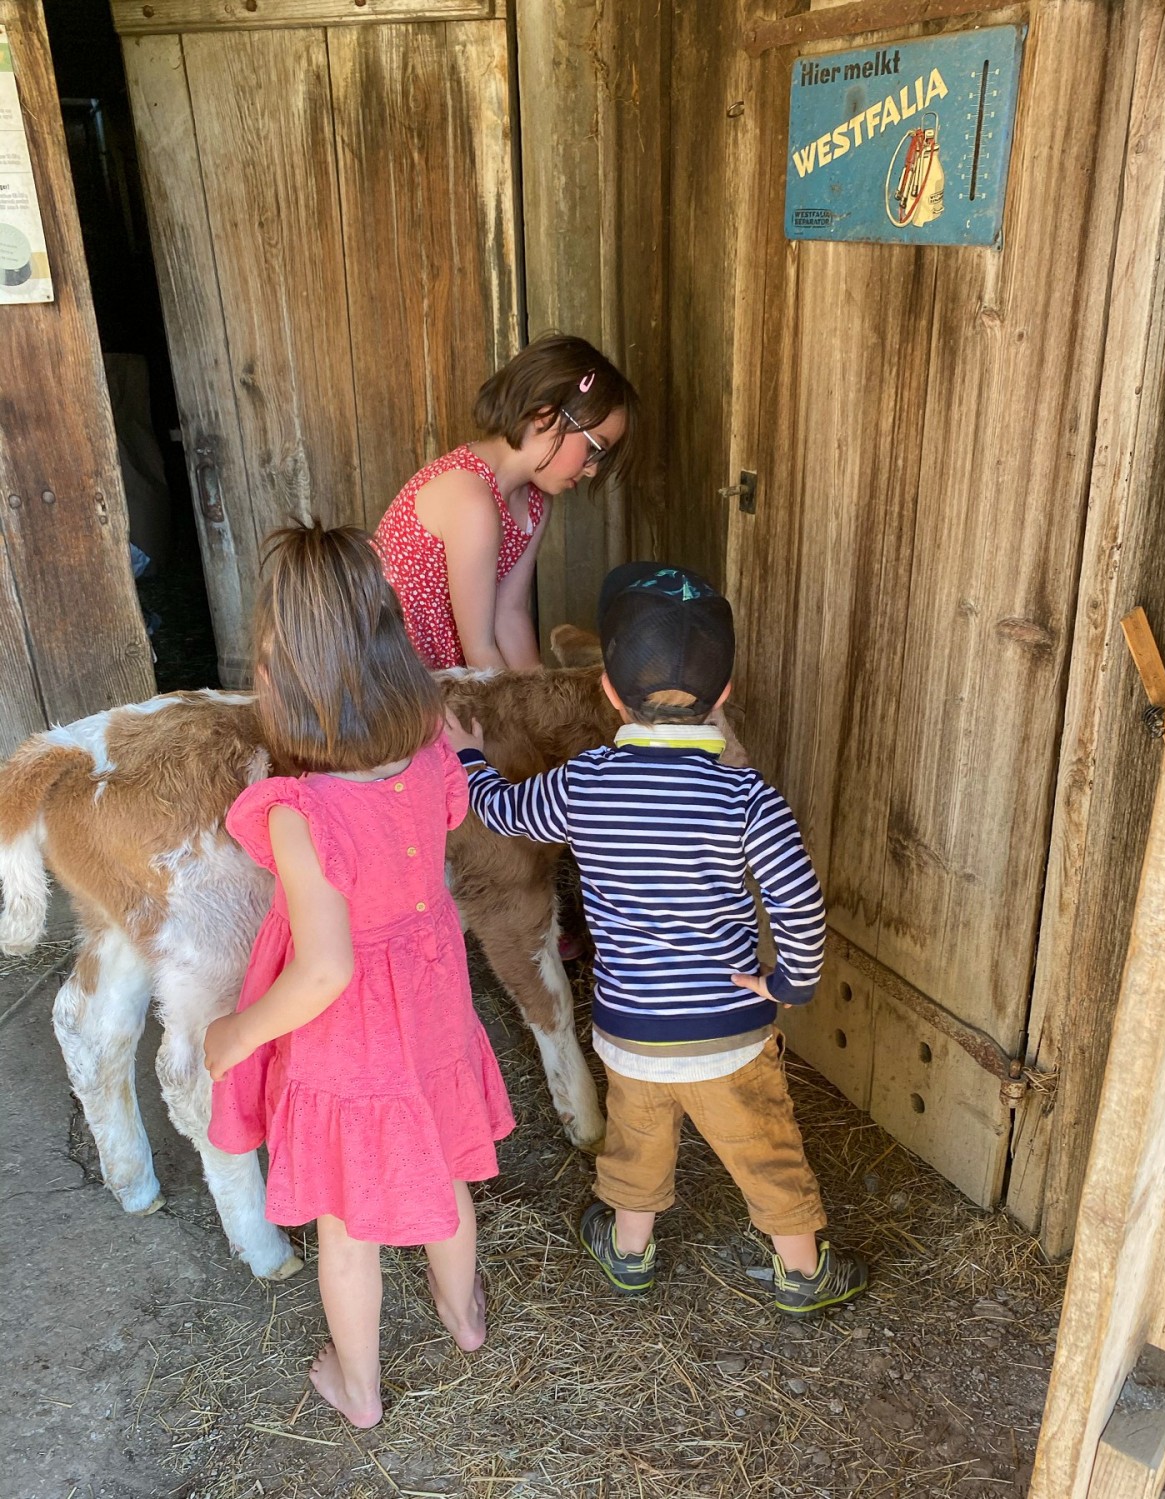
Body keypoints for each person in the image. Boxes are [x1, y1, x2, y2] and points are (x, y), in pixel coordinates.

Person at [445, 562, 869, 1316]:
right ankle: (802, 1271)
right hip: (730, 1031)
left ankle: (630, 1250)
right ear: (726, 693)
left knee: (637, 1145)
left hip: (630, 1030)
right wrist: (790, 982)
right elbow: (799, 901)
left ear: (608, 692)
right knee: (765, 1147)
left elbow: (505, 814)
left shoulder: (584, 782)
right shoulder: (748, 795)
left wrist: (471, 757)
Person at [203, 522, 515, 1428]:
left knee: (347, 1226)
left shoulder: (303, 812)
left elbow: (325, 968)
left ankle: (359, 1384)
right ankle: (462, 1317)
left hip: (354, 1047)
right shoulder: (424, 759)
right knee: (448, 1166)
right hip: (433, 1008)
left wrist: (237, 1031)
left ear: (280, 673)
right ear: (390, 650)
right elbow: (451, 798)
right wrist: (448, 739)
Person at [374, 332, 639, 672]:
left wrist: (543, 703)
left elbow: (509, 611)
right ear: (545, 415)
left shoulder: (535, 502)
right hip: (395, 687)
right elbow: (480, 651)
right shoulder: (471, 499)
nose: (592, 469)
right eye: (593, 447)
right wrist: (524, 720)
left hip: (453, 680)